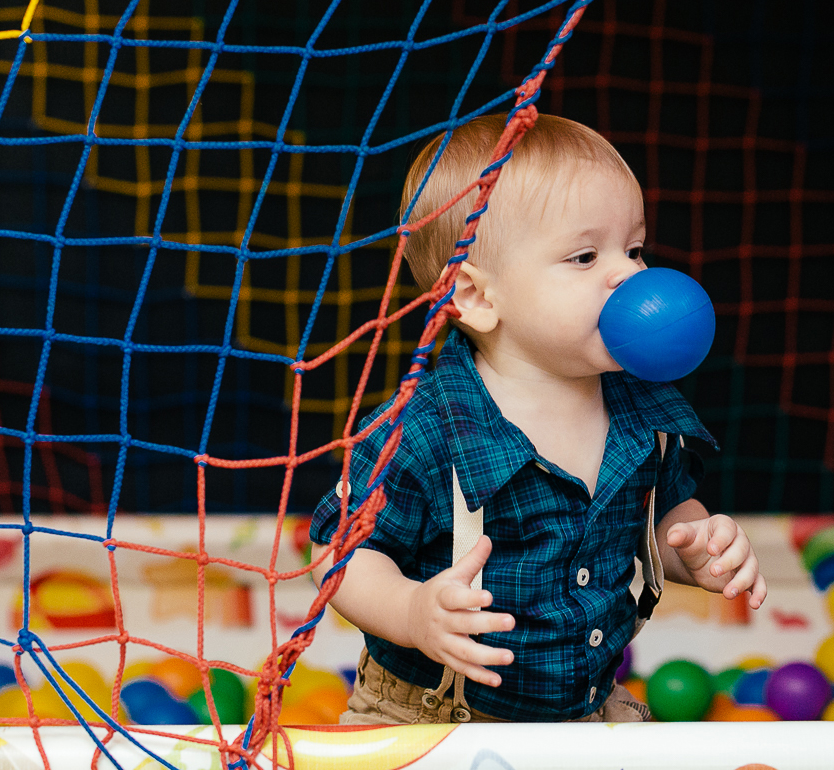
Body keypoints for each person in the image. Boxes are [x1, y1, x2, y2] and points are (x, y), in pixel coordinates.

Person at [308, 113, 767, 724]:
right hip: (427, 714)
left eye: (633, 250)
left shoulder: (643, 407)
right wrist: (412, 612)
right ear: (476, 296)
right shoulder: (425, 428)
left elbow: (666, 514)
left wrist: (697, 548)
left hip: (580, 711)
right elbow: (338, 550)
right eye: (585, 256)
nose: (631, 275)